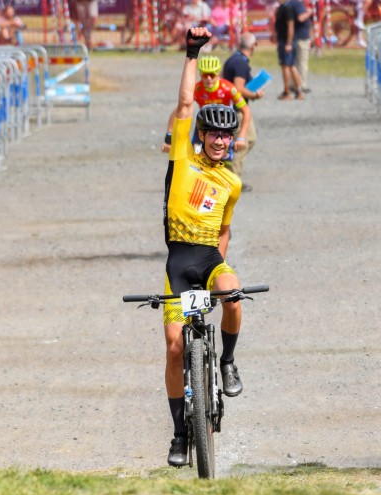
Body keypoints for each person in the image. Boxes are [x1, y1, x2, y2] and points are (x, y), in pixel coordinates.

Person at [161, 27, 246, 467]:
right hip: (178, 261)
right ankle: (179, 435)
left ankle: (228, 362)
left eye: (225, 137)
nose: (219, 141)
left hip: (209, 259)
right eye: (212, 135)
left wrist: (222, 269)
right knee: (176, 348)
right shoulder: (183, 157)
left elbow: (225, 231)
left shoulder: (232, 182)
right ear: (201, 136)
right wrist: (192, 54)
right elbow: (184, 104)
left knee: (234, 293)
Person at [161, 54, 252, 168]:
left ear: (218, 74)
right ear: (200, 74)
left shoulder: (228, 88)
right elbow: (180, 109)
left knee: (225, 164)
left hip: (224, 126)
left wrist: (241, 137)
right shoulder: (197, 89)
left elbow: (246, 111)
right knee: (195, 159)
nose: (208, 79)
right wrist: (169, 135)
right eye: (205, 75)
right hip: (204, 125)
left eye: (212, 75)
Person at [222, 32, 264, 190]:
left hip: (233, 107)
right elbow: (238, 88)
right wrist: (255, 94)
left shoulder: (233, 59)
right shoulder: (241, 63)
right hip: (237, 109)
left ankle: (229, 177)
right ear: (254, 46)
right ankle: (233, 181)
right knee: (243, 142)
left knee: (248, 139)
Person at [275, 0, 304, 100]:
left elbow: (291, 26)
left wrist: (288, 43)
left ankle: (287, 92)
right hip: (283, 40)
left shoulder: (287, 9)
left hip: (286, 41)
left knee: (286, 66)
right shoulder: (280, 9)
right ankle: (298, 91)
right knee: (291, 66)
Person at [289, 0, 312, 94]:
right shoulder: (297, 4)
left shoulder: (290, 3)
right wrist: (308, 13)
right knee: (302, 62)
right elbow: (301, 18)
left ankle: (293, 84)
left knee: (294, 62)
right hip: (301, 38)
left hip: (295, 37)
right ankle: (301, 85)